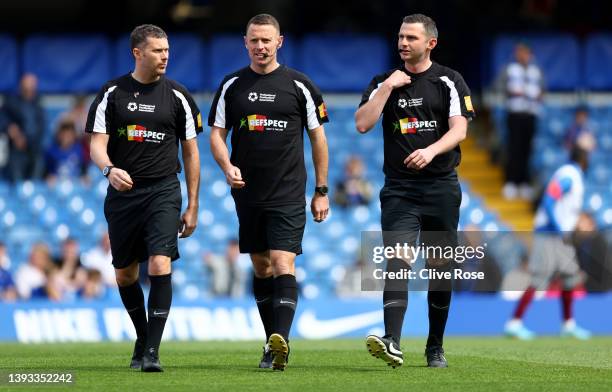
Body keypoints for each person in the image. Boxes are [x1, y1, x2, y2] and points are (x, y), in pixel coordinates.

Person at [209, 14, 329, 371]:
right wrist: (226, 166)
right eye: (254, 40)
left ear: (280, 42)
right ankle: (271, 342)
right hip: (247, 194)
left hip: (289, 192)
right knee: (261, 267)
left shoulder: (300, 85)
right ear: (245, 43)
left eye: (267, 40)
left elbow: (318, 138)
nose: (260, 47)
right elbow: (216, 134)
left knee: (282, 262)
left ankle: (282, 342)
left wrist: (321, 190)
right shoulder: (232, 85)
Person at [355, 14, 475, 368]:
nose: (403, 43)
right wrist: (388, 88)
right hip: (399, 189)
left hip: (440, 186)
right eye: (400, 37)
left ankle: (434, 345)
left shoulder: (449, 81)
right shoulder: (383, 82)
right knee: (398, 258)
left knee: (439, 267)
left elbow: (460, 131)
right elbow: (362, 124)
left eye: (411, 38)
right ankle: (392, 339)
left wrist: (431, 150)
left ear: (430, 43)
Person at [85, 24, 202, 372]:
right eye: (157, 50)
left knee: (160, 264)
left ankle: (152, 351)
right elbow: (96, 144)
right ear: (137, 53)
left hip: (164, 190)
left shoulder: (178, 96)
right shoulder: (113, 93)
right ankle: (142, 336)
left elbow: (192, 153)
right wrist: (109, 170)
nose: (165, 56)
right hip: (123, 196)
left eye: (167, 50)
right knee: (124, 275)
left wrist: (193, 204)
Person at [505, 146, 592, 340]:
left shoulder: (572, 174)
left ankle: (568, 324)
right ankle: (514, 322)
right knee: (539, 278)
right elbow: (549, 200)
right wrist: (558, 226)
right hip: (550, 234)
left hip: (560, 236)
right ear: (585, 160)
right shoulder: (569, 175)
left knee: (570, 277)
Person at [499, 43, 544, 200]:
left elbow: (543, 90)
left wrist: (536, 95)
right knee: (514, 148)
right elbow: (499, 86)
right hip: (515, 114)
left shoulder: (536, 71)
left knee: (527, 149)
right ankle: (511, 182)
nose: (523, 56)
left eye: (526, 53)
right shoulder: (509, 69)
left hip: (530, 114)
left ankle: (524, 182)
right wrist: (513, 91)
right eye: (520, 52)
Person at [3, 73, 46, 181]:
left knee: (36, 182)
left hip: (34, 150)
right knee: (17, 182)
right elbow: (2, 119)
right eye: (27, 87)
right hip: (17, 151)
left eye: (32, 87)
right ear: (21, 87)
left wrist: (31, 140)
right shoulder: (11, 102)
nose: (30, 90)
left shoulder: (38, 103)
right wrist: (11, 129)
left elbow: (41, 127)